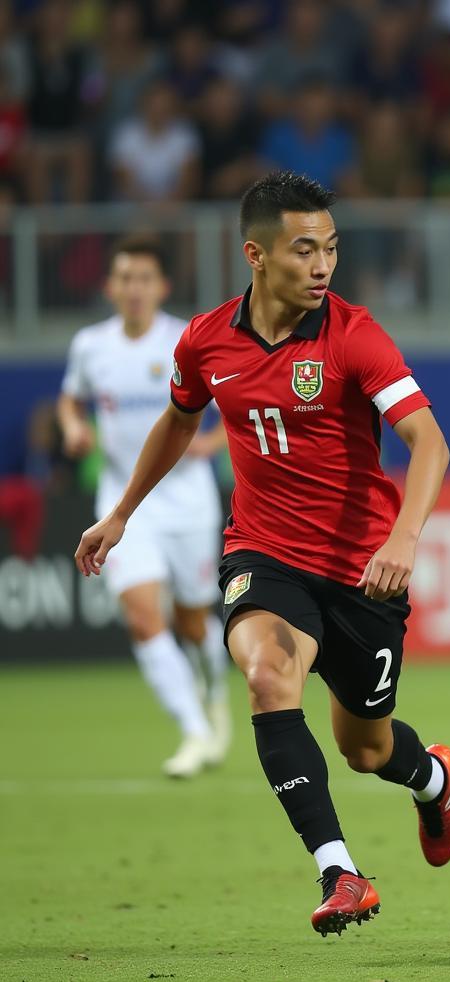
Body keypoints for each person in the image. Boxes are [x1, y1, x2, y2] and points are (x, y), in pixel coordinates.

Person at [73, 172, 450, 937]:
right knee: (265, 675)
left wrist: (403, 537)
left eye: (332, 249)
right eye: (305, 250)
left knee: (367, 747)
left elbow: (429, 442)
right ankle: (339, 870)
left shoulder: (354, 335)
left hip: (361, 574)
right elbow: (179, 422)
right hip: (264, 552)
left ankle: (434, 779)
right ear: (256, 254)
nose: (323, 266)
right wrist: (120, 513)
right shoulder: (206, 340)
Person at [58, 235, 230, 779]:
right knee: (141, 614)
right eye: (125, 278)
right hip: (122, 501)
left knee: (194, 618)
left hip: (185, 498)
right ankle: (194, 731)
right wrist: (72, 427)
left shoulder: (185, 338)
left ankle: (214, 687)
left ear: (162, 287)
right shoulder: (91, 346)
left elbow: (241, 398)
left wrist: (214, 442)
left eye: (144, 279)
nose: (134, 289)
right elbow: (71, 397)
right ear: (110, 287)